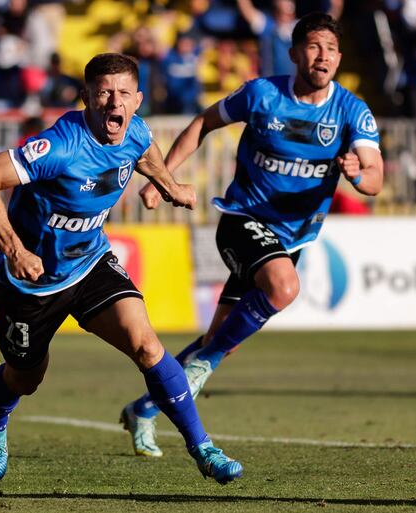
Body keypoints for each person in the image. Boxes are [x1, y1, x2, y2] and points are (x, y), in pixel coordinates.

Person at [0, 52, 243, 484]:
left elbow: (145, 149)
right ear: (86, 99)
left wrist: (167, 184)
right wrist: (14, 249)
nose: (114, 103)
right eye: (104, 94)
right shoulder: (59, 147)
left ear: (137, 100)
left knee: (147, 345)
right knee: (25, 378)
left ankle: (203, 448)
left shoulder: (134, 130)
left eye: (123, 94)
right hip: (33, 284)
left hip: (91, 263)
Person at [121, 12, 384, 457]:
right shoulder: (262, 94)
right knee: (283, 287)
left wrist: (359, 174)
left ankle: (145, 407)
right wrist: (161, 178)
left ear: (340, 59)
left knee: (224, 337)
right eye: (315, 46)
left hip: (292, 237)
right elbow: (203, 123)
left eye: (332, 50)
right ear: (296, 52)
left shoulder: (351, 110)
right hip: (242, 219)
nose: (324, 56)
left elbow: (375, 177)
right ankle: (205, 363)